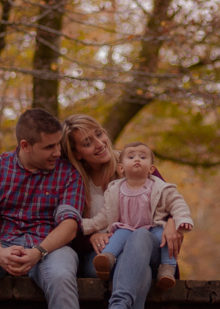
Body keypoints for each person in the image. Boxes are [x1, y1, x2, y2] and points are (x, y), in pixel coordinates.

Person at [0, 108, 85, 309]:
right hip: (0, 243)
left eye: (58, 143)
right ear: (25, 146)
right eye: (49, 147)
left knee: (61, 276)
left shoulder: (69, 173)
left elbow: (70, 225)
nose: (58, 152)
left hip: (50, 248)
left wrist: (38, 252)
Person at [60, 115, 183, 309]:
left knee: (140, 237)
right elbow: (65, 227)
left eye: (99, 134)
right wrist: (90, 238)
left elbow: (170, 201)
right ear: (77, 154)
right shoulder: (73, 180)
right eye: (87, 143)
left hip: (149, 247)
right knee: (140, 271)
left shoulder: (135, 161)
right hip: (103, 255)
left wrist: (172, 222)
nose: (99, 144)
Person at [83, 141, 193, 290]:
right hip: (126, 228)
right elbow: (103, 218)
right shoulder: (115, 190)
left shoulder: (160, 188)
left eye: (142, 157)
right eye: (131, 157)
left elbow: (177, 203)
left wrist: (183, 220)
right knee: (116, 236)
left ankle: (167, 269)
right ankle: (106, 259)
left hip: (153, 228)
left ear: (151, 169)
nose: (137, 159)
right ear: (121, 168)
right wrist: (82, 225)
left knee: (165, 237)